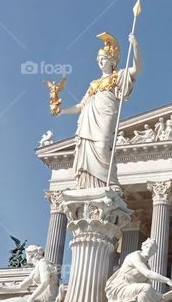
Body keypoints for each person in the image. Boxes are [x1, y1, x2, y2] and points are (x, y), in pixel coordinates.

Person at [53, 32, 140, 189]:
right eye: (98, 58)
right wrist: (63, 111)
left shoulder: (118, 76)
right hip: (88, 121)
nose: (100, 61)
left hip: (105, 117)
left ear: (112, 61)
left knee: (102, 147)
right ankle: (88, 186)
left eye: (103, 58)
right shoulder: (93, 84)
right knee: (86, 151)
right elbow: (81, 106)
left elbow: (137, 69)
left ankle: (110, 183)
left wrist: (135, 46)